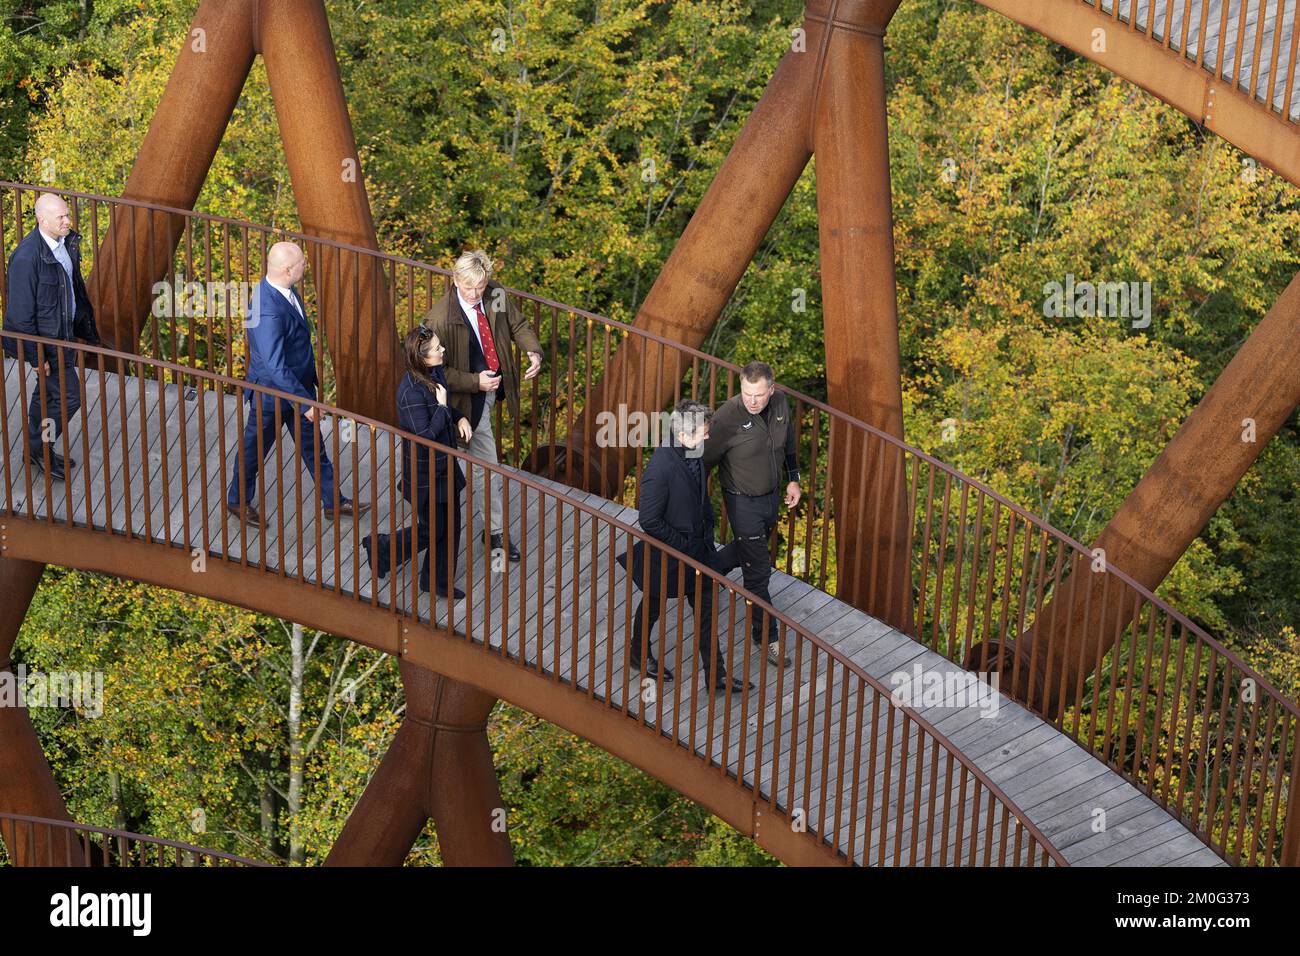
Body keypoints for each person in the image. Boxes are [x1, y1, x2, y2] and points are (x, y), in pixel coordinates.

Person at [226, 242, 366, 524]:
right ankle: (237, 501)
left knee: (315, 449)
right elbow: (275, 365)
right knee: (254, 450)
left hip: (299, 391)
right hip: (272, 395)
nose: (306, 265)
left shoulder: (286, 291)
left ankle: (334, 503)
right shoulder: (267, 309)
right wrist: (305, 403)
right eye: (302, 262)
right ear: (289, 270)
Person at [618, 400, 750, 695]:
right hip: (669, 555)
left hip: (699, 552)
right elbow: (648, 520)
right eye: (703, 432)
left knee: (706, 612)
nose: (706, 436)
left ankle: (716, 677)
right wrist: (683, 546)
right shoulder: (660, 469)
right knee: (653, 604)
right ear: (681, 435)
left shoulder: (694, 449)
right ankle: (638, 654)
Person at [421, 250, 542, 562]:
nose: (475, 294)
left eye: (480, 286)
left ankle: (493, 531)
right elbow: (435, 372)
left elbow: (516, 323)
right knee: (464, 468)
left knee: (486, 468)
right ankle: (434, 534)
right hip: (457, 403)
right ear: (455, 281)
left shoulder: (494, 293)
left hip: (486, 394)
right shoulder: (439, 319)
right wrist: (476, 382)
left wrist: (533, 351)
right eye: (468, 288)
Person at [702, 361, 801, 667]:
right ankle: (767, 637)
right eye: (747, 394)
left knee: (746, 552)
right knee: (758, 572)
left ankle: (704, 571)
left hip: (771, 500)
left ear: (771, 390)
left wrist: (794, 478)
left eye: (759, 395)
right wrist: (692, 503)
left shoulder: (782, 404)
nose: (753, 401)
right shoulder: (727, 417)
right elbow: (701, 461)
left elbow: (790, 445)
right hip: (741, 502)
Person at [363, 325, 471, 598]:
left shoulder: (434, 374)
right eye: (437, 348)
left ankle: (436, 582)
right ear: (422, 358)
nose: (443, 349)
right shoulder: (410, 392)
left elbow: (442, 411)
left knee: (451, 525)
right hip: (426, 472)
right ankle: (382, 548)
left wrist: (457, 415)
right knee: (433, 529)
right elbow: (424, 435)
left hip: (445, 464)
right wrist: (445, 407)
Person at [1, 192, 102, 482]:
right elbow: (20, 317)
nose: (68, 221)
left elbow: (71, 289)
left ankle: (35, 448)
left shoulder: (64, 244)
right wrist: (37, 357)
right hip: (47, 344)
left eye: (67, 215)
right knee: (69, 397)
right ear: (41, 219)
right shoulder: (26, 257)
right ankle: (40, 448)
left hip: (62, 335)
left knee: (46, 395)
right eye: (61, 217)